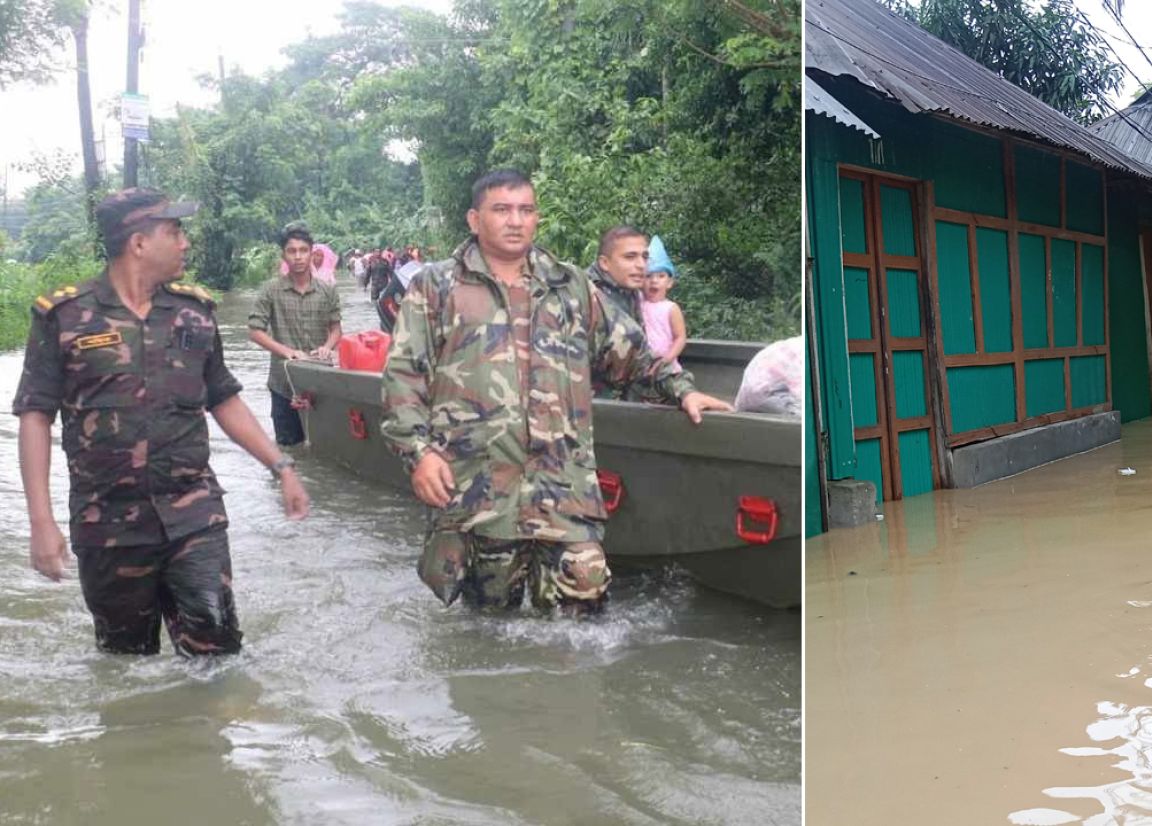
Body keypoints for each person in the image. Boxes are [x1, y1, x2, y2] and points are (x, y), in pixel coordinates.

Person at [380, 169, 732, 616]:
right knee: (488, 629)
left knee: (581, 622)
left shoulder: (570, 286)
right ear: (474, 219)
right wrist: (418, 452)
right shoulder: (436, 287)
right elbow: (404, 376)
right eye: (501, 210)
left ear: (536, 219)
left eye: (525, 210)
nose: (515, 220)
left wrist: (682, 391)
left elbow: (632, 353)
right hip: (478, 491)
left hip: (564, 489)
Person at [13, 188, 310, 656]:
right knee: (125, 666)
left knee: (217, 652)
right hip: (107, 525)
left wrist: (281, 467)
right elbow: (35, 416)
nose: (185, 242)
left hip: (194, 513)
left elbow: (224, 399)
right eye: (174, 231)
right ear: (139, 243)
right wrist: (40, 521)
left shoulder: (195, 313)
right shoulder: (65, 318)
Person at [248, 226, 342, 447]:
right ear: (284, 255)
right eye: (292, 251)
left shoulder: (327, 291)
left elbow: (336, 329)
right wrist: (287, 352)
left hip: (321, 382)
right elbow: (254, 331)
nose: (298, 256)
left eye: (303, 250)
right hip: (282, 383)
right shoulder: (270, 290)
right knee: (289, 450)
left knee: (325, 448)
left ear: (312, 253)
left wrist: (328, 346)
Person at [640, 235, 686, 372]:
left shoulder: (671, 308)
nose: (654, 281)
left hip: (666, 367)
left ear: (669, 282)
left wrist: (667, 359)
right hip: (641, 366)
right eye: (648, 276)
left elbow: (680, 337)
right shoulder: (636, 303)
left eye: (661, 276)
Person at [587, 225, 647, 323]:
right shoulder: (583, 294)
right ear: (605, 263)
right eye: (630, 257)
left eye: (645, 257)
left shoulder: (629, 288)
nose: (642, 265)